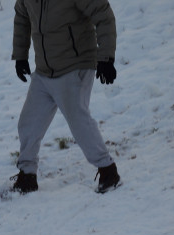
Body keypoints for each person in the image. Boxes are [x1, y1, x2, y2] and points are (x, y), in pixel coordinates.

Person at [10, 0, 121, 195]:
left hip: (75, 65)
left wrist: (106, 58)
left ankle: (108, 171)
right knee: (28, 123)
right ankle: (27, 175)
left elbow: (103, 14)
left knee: (79, 121)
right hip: (45, 71)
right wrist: (20, 55)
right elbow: (22, 15)